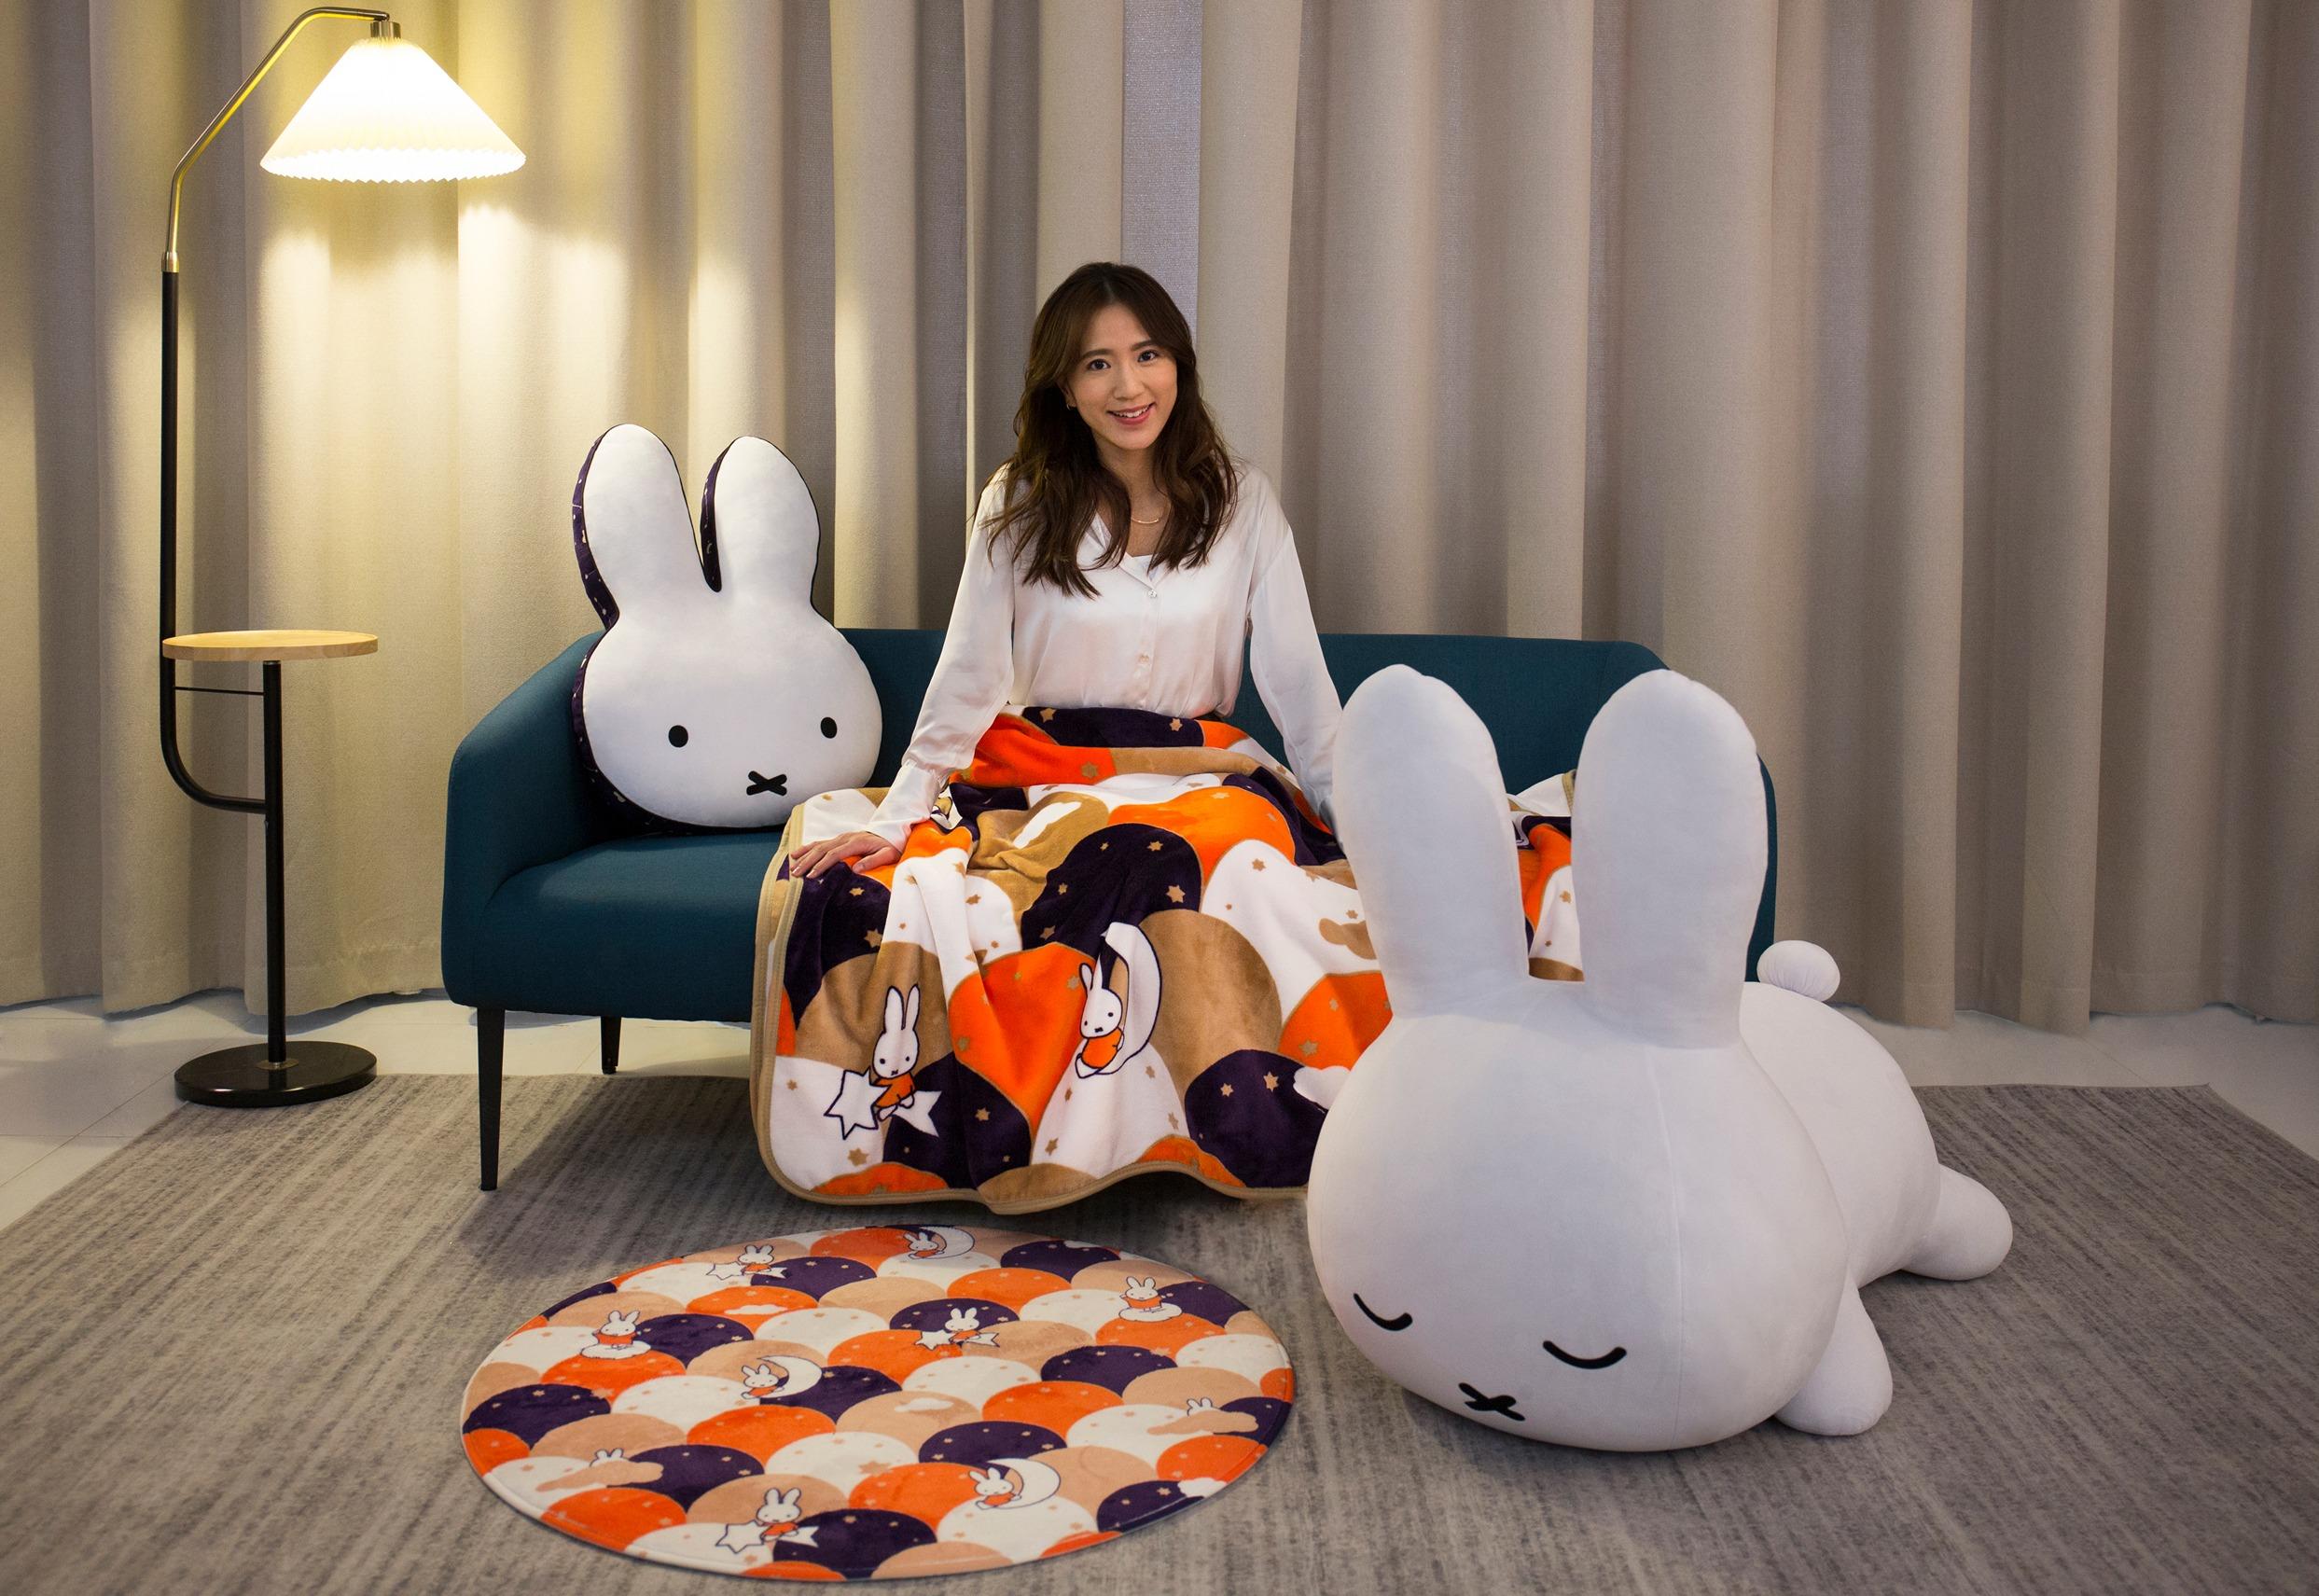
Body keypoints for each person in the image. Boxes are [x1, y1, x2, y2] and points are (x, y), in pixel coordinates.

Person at [788, 261, 1341, 880]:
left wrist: (1355, 821)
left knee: (1243, 856)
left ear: (1178, 366)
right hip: (1047, 778)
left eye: (1148, 355)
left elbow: (1299, 683)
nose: (1129, 386)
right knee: (1124, 861)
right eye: (1097, 364)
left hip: (1200, 777)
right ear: (1067, 389)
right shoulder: (1018, 500)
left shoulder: (1244, 501)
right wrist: (896, 817)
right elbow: (971, 670)